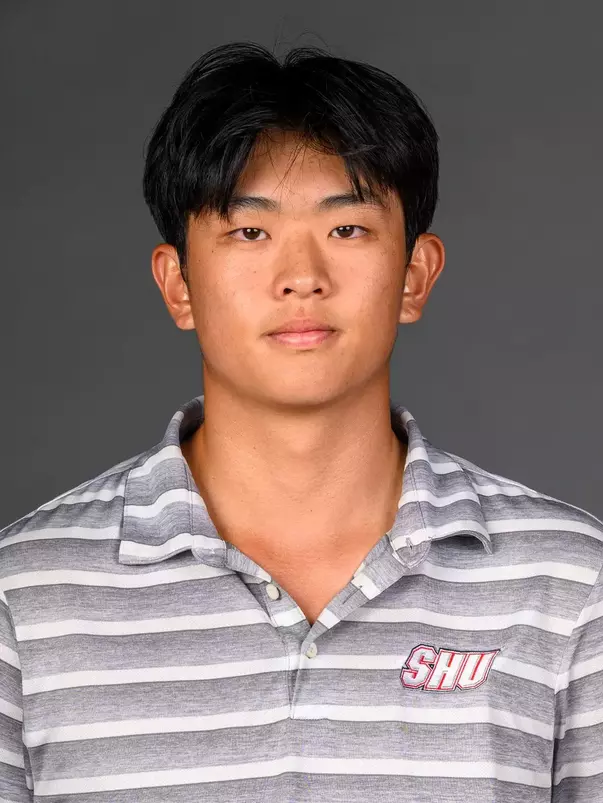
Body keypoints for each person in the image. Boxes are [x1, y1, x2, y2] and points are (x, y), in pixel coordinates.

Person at [0, 41, 601, 803]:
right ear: (177, 284)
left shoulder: (569, 583)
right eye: (249, 232)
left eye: (346, 229)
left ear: (414, 275)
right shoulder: (25, 595)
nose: (302, 277)